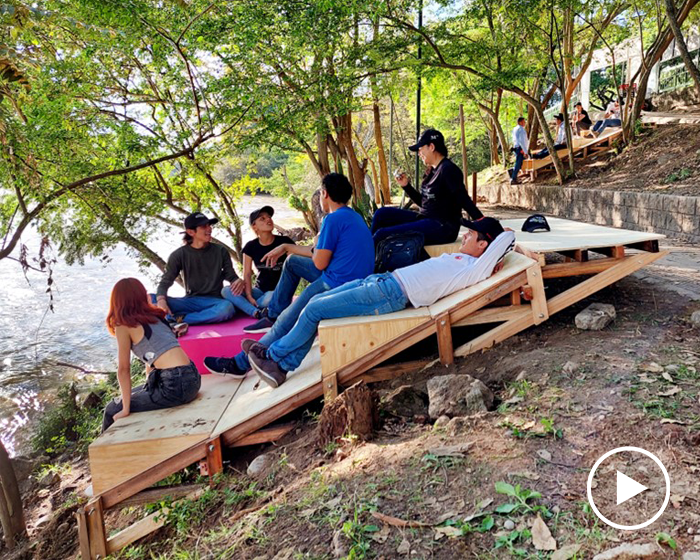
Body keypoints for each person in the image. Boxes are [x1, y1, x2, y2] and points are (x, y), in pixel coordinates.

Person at [243, 217, 522, 388]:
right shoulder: (467, 259)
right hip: (382, 282)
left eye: (471, 235)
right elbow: (497, 241)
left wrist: (501, 235)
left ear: (485, 246)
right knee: (316, 300)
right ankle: (276, 356)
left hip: (390, 295)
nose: (465, 235)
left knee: (315, 308)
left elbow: (507, 237)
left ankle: (277, 362)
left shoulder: (475, 268)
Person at [203, 173, 374, 376]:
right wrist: (286, 247)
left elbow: (319, 262)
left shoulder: (332, 220)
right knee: (292, 262)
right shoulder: (352, 215)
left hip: (336, 284)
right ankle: (273, 313)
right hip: (350, 278)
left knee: (288, 317)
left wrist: (315, 245)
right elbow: (317, 252)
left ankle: (241, 363)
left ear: (325, 194)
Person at [102, 278, 201, 432]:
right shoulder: (156, 317)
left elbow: (123, 370)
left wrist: (125, 409)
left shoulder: (123, 325)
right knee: (133, 393)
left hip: (174, 386)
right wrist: (149, 381)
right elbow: (154, 354)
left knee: (112, 408)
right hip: (193, 377)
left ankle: (107, 454)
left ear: (117, 301)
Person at [370, 128, 482, 246]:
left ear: (431, 147)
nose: (419, 154)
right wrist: (406, 186)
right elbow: (425, 203)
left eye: (420, 149)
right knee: (381, 214)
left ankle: (362, 260)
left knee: (382, 235)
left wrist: (484, 223)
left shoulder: (448, 170)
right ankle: (364, 252)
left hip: (443, 228)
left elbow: (463, 199)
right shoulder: (432, 171)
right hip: (426, 219)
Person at [154, 212, 242, 328]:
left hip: (215, 302)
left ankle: (180, 319)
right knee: (150, 299)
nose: (209, 229)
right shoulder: (178, 255)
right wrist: (161, 300)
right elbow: (165, 281)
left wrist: (238, 281)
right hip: (190, 302)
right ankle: (190, 316)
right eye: (204, 226)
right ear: (191, 232)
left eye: (209, 225)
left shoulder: (220, 251)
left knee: (227, 308)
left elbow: (230, 275)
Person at [222, 206, 295, 318]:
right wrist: (249, 295)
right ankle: (255, 312)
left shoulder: (285, 242)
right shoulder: (250, 246)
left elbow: (295, 265)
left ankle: (245, 306)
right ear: (254, 226)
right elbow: (246, 273)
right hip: (259, 290)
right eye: (262, 219)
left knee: (269, 298)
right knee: (226, 290)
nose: (268, 220)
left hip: (277, 292)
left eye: (269, 217)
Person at [510, 117, 530, 185]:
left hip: (517, 147)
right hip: (520, 148)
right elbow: (522, 141)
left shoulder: (515, 129)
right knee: (518, 163)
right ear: (520, 122)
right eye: (523, 122)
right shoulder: (521, 129)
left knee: (520, 163)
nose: (524, 123)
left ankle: (513, 174)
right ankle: (513, 178)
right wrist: (524, 151)